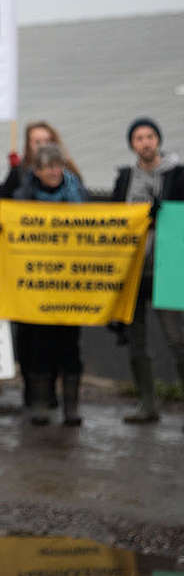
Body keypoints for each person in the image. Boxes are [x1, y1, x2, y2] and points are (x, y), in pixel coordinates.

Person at [111, 117, 184, 424]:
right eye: (139, 137)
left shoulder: (178, 174)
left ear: (158, 140)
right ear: (132, 144)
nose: (145, 142)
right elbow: (113, 219)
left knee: (176, 339)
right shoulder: (125, 178)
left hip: (167, 264)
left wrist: (163, 213)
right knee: (137, 342)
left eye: (150, 136)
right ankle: (147, 403)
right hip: (132, 268)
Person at [13, 144, 88, 425]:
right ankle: (41, 403)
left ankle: (71, 407)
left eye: (57, 166)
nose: (53, 172)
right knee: (41, 346)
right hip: (38, 287)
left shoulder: (78, 194)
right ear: (37, 171)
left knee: (70, 346)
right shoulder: (23, 197)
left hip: (70, 285)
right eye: (46, 167)